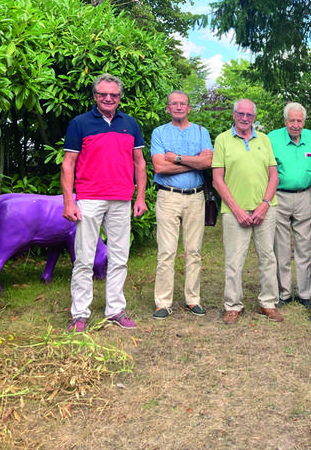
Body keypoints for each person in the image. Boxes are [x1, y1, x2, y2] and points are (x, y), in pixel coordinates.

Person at [62, 74, 147, 332]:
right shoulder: (80, 123)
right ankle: (80, 314)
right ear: (95, 96)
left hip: (122, 199)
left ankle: (115, 310)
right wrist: (69, 201)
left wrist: (140, 196)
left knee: (120, 258)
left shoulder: (130, 124)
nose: (108, 98)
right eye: (103, 94)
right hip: (89, 198)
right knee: (85, 259)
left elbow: (139, 162)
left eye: (113, 95)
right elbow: (68, 164)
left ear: (120, 97)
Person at [212, 99, 283, 324]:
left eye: (249, 115)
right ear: (234, 115)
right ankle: (232, 305)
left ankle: (268, 303)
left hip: (265, 209)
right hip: (234, 211)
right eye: (240, 114)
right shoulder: (223, 140)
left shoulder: (264, 139)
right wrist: (237, 210)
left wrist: (264, 205)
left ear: (254, 116)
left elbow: (274, 175)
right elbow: (217, 180)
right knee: (234, 259)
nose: (244, 118)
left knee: (268, 257)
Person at [150, 91, 213, 319]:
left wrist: (176, 158)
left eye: (182, 104)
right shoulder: (159, 132)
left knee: (194, 251)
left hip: (195, 197)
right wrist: (194, 163)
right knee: (166, 252)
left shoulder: (200, 131)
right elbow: (159, 168)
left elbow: (208, 162)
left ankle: (193, 300)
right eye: (174, 104)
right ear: (167, 108)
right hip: (168, 197)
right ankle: (163, 303)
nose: (178, 107)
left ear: (189, 108)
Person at [268, 103, 311, 308]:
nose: (295, 124)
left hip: (305, 197)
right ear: (285, 121)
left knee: (305, 246)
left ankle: (304, 293)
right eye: (291, 120)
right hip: (279, 196)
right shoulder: (272, 138)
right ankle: (283, 293)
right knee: (281, 246)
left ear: (304, 121)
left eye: (299, 120)